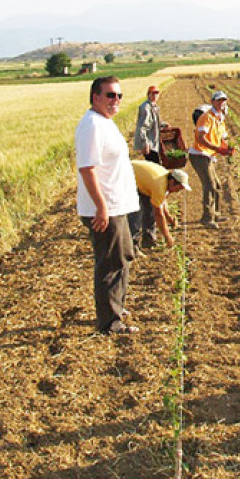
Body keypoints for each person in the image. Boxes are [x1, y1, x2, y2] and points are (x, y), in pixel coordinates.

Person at [76, 75, 141, 335]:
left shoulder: (105, 122)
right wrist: (101, 207)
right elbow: (87, 169)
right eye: (110, 95)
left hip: (118, 205)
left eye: (119, 95)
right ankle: (109, 322)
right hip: (105, 209)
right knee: (109, 263)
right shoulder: (91, 125)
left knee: (123, 256)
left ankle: (117, 306)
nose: (116, 100)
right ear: (95, 96)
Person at [189, 90, 234, 228]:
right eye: (218, 100)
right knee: (209, 185)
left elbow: (222, 138)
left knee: (218, 186)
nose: (221, 103)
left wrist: (227, 149)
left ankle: (216, 214)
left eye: (223, 100)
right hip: (199, 155)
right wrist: (217, 149)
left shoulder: (219, 119)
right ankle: (207, 218)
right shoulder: (207, 117)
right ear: (212, 101)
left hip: (208, 155)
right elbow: (200, 138)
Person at [130, 160, 192, 250]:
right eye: (178, 188)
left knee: (149, 210)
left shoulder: (165, 179)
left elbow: (162, 203)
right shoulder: (159, 185)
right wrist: (167, 237)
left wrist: (170, 219)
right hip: (127, 177)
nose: (177, 191)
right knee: (135, 215)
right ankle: (133, 248)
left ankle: (149, 241)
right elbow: (159, 214)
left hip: (141, 180)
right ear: (172, 182)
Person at [133, 84, 163, 164]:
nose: (155, 95)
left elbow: (156, 122)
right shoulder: (145, 107)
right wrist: (145, 143)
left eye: (156, 93)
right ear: (148, 94)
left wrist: (163, 125)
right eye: (152, 93)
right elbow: (142, 126)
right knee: (155, 167)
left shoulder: (154, 106)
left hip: (154, 142)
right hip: (149, 143)